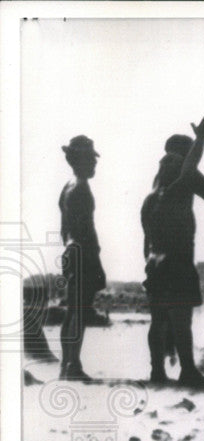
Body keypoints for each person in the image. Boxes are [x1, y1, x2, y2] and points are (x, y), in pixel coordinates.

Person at [141, 115, 204, 387]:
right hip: (177, 264)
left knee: (158, 320)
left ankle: (157, 372)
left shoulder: (151, 199)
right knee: (181, 320)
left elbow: (145, 243)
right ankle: (187, 371)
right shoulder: (178, 190)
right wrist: (201, 140)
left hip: (155, 265)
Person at [57, 135, 107, 381]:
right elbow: (86, 229)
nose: (94, 164)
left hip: (71, 251)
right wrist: (93, 259)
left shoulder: (67, 187)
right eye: (90, 160)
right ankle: (72, 366)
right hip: (82, 253)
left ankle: (67, 366)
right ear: (78, 161)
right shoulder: (80, 189)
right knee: (79, 312)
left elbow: (64, 228)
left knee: (72, 312)